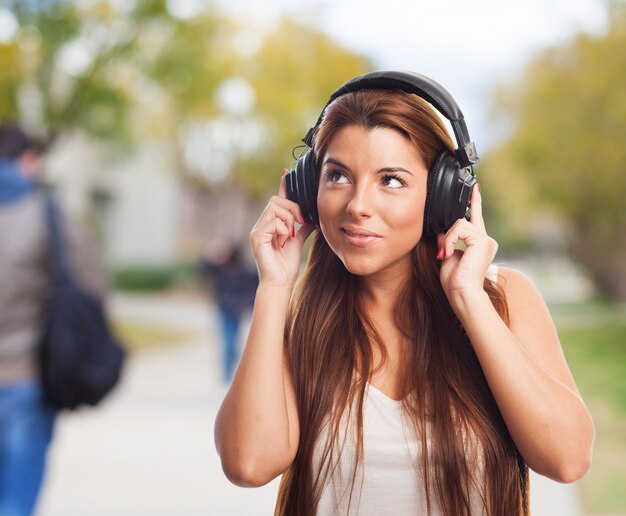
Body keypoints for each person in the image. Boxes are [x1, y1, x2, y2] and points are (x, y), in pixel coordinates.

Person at [214, 72, 595, 515]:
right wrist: (275, 287)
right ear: (306, 187)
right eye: (338, 176)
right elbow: (248, 464)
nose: (358, 205)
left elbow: (568, 460)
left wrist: (468, 298)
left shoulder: (504, 299)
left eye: (390, 180)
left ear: (444, 196)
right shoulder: (299, 315)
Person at [0, 123, 106, 515]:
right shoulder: (45, 216)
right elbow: (90, 286)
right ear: (28, 160)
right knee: (15, 500)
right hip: (26, 376)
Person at [201, 241, 258, 383]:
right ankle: (227, 373)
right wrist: (216, 255)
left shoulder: (245, 271)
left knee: (231, 341)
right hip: (225, 309)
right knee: (228, 340)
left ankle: (230, 372)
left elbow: (252, 289)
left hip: (235, 310)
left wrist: (247, 305)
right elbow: (202, 266)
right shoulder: (220, 268)